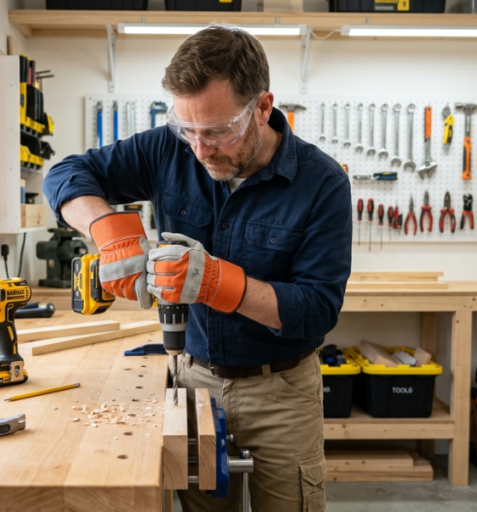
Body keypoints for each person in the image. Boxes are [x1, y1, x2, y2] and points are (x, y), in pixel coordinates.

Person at [43, 25, 352, 512]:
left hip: (282, 393)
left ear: (263, 107)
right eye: (188, 130)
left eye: (217, 131)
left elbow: (315, 312)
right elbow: (64, 174)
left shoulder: (323, 183)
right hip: (193, 382)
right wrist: (106, 228)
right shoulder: (169, 148)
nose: (200, 149)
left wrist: (217, 283)